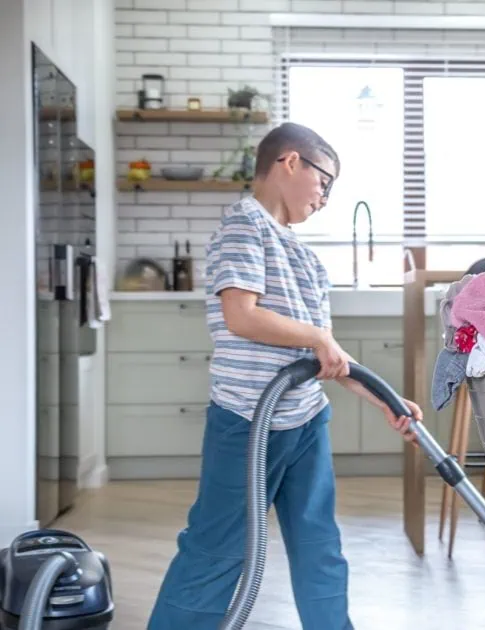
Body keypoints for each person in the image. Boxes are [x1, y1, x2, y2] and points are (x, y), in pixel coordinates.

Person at [147, 122, 423, 630]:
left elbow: (329, 358)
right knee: (218, 549)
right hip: (245, 420)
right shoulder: (242, 226)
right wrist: (315, 338)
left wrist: (384, 399)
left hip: (305, 421)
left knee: (320, 547)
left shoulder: (306, 258)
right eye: (325, 182)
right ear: (290, 162)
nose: (325, 198)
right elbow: (241, 315)